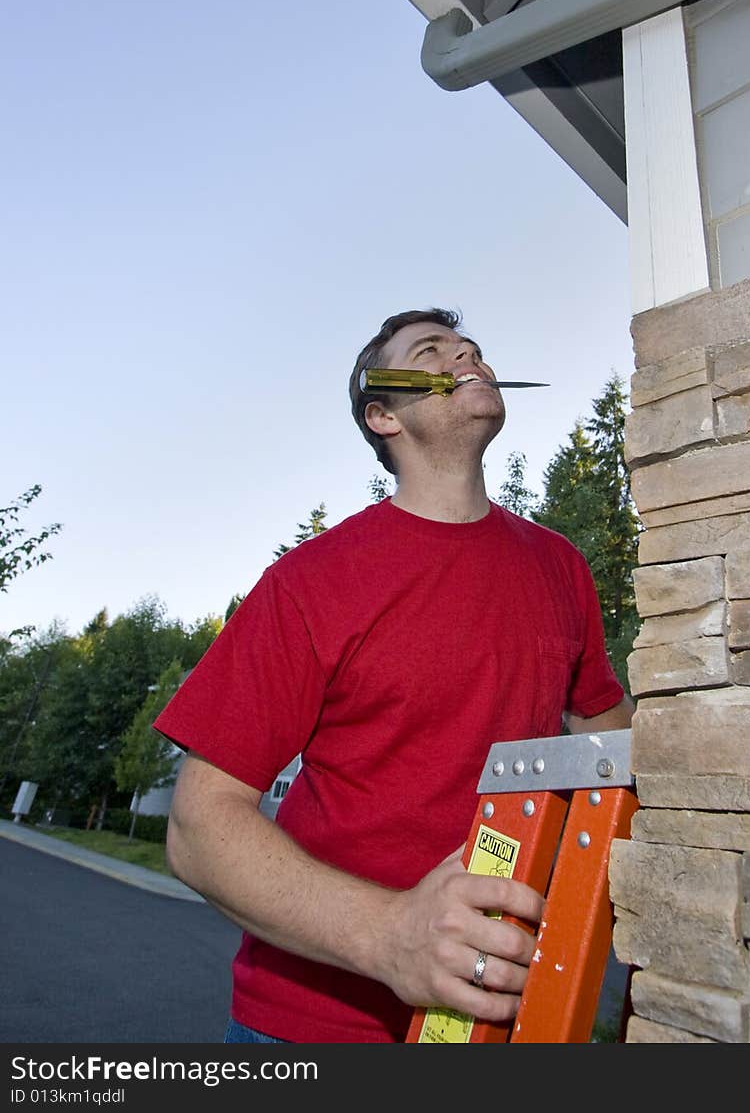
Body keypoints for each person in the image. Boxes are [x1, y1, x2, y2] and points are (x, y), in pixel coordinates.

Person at [155, 307, 633, 1044]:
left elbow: (614, 741)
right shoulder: (311, 581)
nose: (467, 352)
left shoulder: (558, 567)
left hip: (497, 1020)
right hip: (308, 1028)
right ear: (383, 413)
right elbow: (198, 827)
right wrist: (389, 936)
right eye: (432, 351)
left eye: (470, 346)